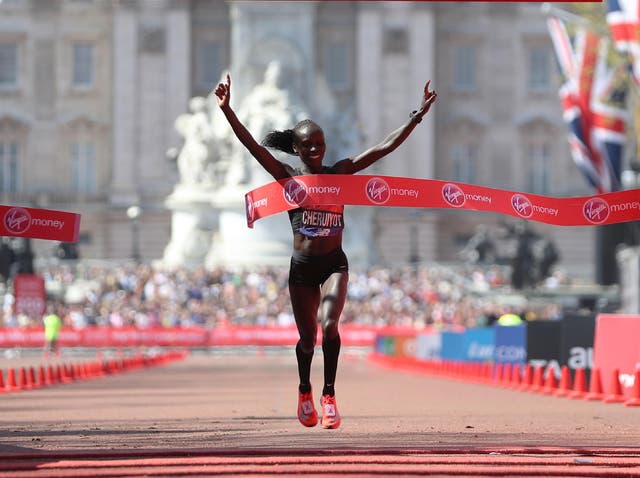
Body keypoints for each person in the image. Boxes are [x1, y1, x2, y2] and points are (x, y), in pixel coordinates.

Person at [214, 72, 437, 429]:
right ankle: (305, 390)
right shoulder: (288, 178)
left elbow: (383, 148)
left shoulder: (341, 172)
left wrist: (418, 115)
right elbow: (254, 147)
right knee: (307, 340)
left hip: (335, 264)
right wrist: (228, 110)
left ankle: (329, 394)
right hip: (301, 269)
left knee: (330, 325)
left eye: (320, 143)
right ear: (298, 149)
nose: (316, 150)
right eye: (309, 145)